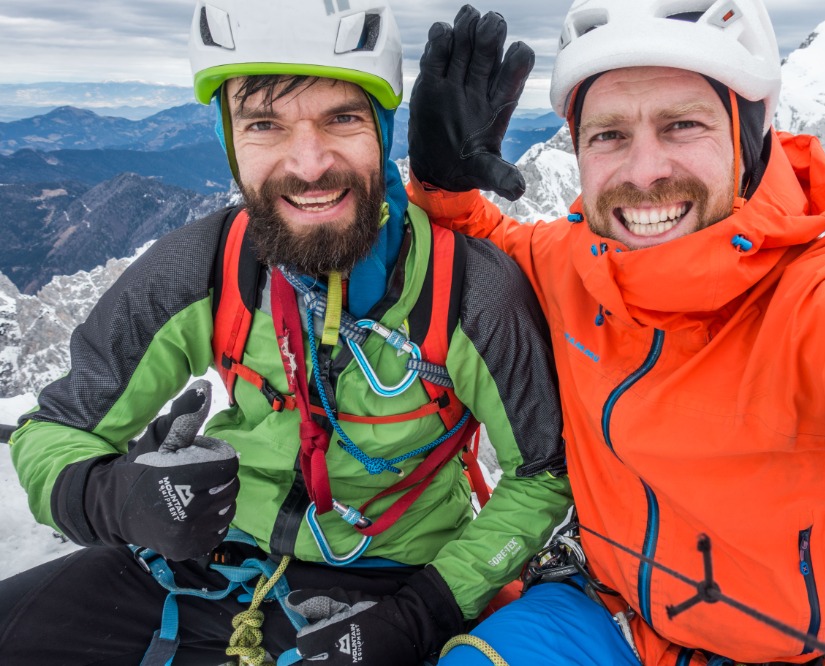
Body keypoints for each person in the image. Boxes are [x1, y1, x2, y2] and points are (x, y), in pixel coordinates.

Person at [405, 2, 825, 665]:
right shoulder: (573, 265)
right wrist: (441, 185)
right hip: (602, 611)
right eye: (609, 135)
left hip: (785, 655)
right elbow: (477, 248)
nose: (644, 171)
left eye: (682, 125)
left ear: (749, 138)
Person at [1, 1, 572, 664]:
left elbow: (542, 474)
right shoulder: (203, 267)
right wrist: (111, 500)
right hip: (202, 562)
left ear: (383, 131)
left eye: (343, 118)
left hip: (393, 584)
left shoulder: (471, 293)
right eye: (264, 124)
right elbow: (57, 429)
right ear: (229, 139)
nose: (308, 163)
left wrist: (426, 611)